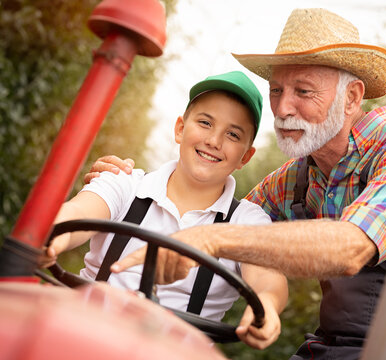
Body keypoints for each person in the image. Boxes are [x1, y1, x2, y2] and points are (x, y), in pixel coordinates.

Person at [88, 8, 386, 360]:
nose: (282, 108)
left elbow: (350, 247)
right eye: (277, 90)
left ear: (352, 97)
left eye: (303, 91)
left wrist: (212, 241)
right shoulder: (293, 180)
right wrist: (130, 187)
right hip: (337, 343)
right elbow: (222, 216)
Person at [40, 71, 288, 350]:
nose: (214, 141)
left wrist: (267, 303)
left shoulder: (247, 221)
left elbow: (268, 277)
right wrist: (50, 238)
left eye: (232, 134)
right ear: (180, 129)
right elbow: (77, 213)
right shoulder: (125, 184)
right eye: (205, 123)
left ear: (245, 155)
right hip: (81, 339)